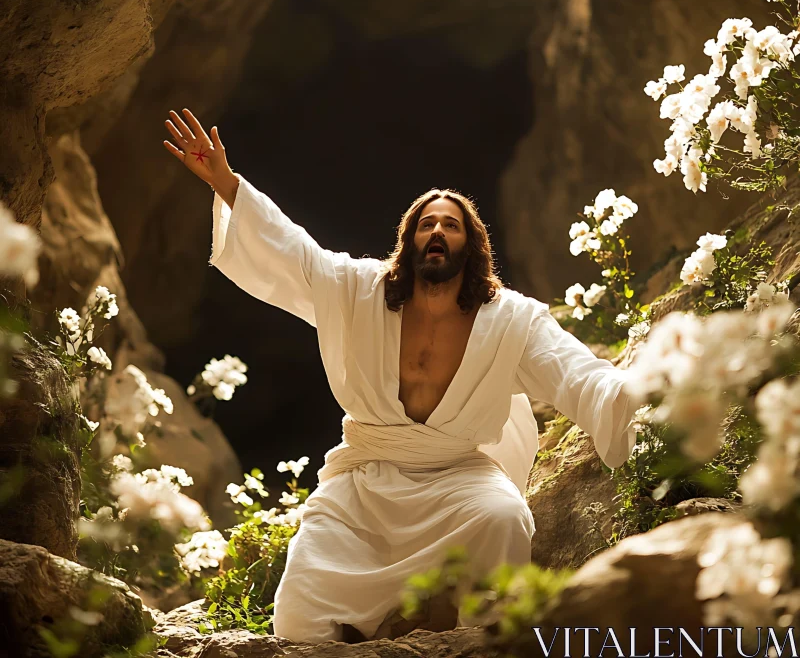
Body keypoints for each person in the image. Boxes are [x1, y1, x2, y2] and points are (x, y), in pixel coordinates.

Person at [162, 108, 639, 644]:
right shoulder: (360, 290)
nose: (436, 231)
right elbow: (296, 253)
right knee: (298, 609)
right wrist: (226, 183)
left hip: (458, 477)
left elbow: (572, 371)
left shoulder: (511, 319)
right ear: (408, 241)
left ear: (471, 245)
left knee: (504, 517)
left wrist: (640, 399)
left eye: (450, 224)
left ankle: (470, 640)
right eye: (426, 223)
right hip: (366, 479)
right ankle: (390, 624)